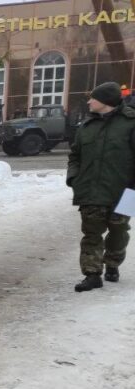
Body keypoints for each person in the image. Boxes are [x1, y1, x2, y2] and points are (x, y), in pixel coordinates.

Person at [67, 81, 134, 292]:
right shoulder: (86, 127)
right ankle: (92, 274)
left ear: (105, 102)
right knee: (91, 233)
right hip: (91, 190)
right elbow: (75, 155)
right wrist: (74, 178)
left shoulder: (131, 123)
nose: (89, 101)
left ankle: (113, 263)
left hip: (128, 192)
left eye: (92, 98)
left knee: (119, 231)